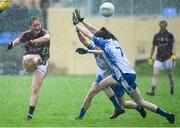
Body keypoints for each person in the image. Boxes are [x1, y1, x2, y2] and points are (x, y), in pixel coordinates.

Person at [74, 13, 175, 124]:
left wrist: (76, 24)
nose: (96, 39)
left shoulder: (105, 45)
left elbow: (89, 34)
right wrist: (82, 22)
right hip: (128, 73)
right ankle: (166, 115)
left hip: (123, 76)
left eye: (98, 38)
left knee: (140, 101)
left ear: (101, 38)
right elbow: (94, 32)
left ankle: (165, 114)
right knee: (101, 86)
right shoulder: (113, 41)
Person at [73, 10, 146, 120]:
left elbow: (92, 34)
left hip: (115, 76)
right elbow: (85, 39)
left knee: (123, 103)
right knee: (91, 93)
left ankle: (137, 106)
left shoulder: (107, 48)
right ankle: (80, 117)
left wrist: (78, 25)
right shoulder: (94, 46)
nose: (95, 44)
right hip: (102, 75)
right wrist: (78, 30)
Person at [7, 16, 50, 120]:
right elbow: (17, 40)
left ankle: (30, 115)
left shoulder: (45, 33)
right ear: (30, 26)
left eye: (38, 25)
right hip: (28, 61)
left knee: (35, 89)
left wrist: (33, 41)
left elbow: (47, 38)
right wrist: (11, 44)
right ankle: (37, 60)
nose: (37, 27)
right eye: (34, 25)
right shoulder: (27, 34)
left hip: (42, 63)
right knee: (33, 58)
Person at [147, 20, 176, 96]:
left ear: (166, 25)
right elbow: (153, 46)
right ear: (159, 26)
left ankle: (172, 89)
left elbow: (173, 44)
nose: (162, 26)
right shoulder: (156, 35)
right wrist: (150, 56)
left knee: (170, 75)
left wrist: (174, 53)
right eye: (161, 25)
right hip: (158, 58)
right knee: (155, 74)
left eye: (164, 25)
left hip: (168, 57)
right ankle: (152, 90)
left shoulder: (170, 35)